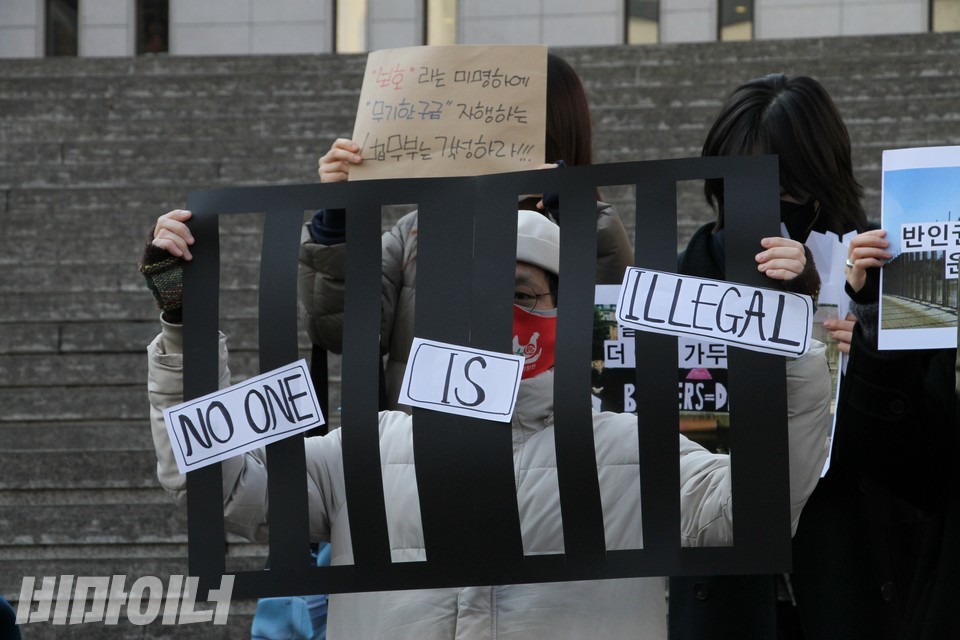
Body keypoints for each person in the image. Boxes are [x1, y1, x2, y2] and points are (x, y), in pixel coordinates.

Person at [143, 208, 833, 640]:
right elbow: (227, 489)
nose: (498, 319)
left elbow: (760, 503)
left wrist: (793, 342)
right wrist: (184, 328)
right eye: (474, 298)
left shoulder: (626, 450)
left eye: (523, 296)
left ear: (562, 318)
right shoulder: (371, 448)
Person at [672, 72, 925, 640]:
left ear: (820, 177)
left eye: (786, 189)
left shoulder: (881, 266)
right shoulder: (690, 276)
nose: (768, 209)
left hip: (849, 575)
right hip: (729, 586)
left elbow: (919, 450)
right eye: (745, 184)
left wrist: (866, 341)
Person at [298, 52, 634, 410]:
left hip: (550, 449)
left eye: (505, 116)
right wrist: (337, 219)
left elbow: (612, 326)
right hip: (423, 449)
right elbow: (341, 331)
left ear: (553, 128)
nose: (481, 129)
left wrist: (573, 208)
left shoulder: (583, 225)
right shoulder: (414, 231)